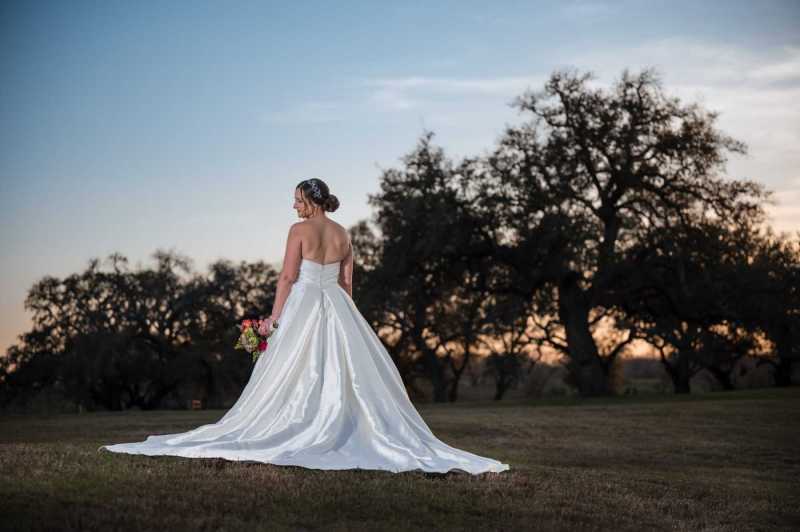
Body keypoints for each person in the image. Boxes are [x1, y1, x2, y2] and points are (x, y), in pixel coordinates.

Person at [98, 178, 510, 475]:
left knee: (293, 369)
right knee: (344, 372)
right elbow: (348, 285)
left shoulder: (299, 230)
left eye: (296, 200)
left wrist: (274, 320)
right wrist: (347, 320)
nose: (294, 207)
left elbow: (287, 277)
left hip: (304, 303)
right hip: (338, 304)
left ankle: (300, 426)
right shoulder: (345, 234)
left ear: (310, 203)